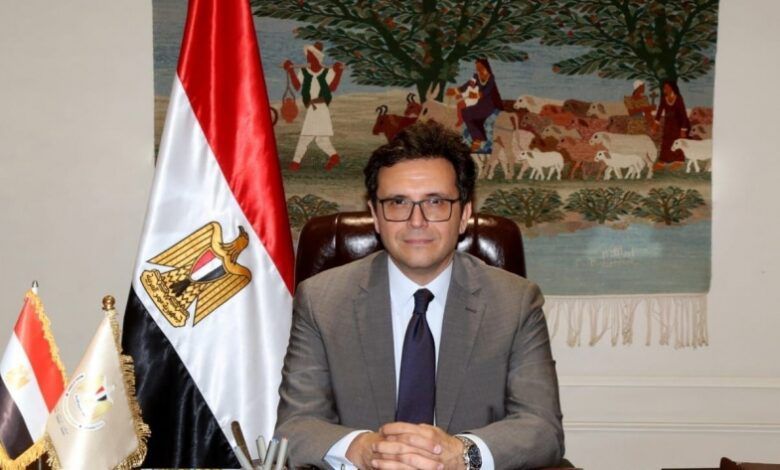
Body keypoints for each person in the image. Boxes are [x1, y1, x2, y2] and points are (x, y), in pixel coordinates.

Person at [275, 121, 564, 469]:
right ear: (375, 216)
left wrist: (460, 454)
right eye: (398, 202)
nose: (416, 221)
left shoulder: (515, 302)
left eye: (435, 202)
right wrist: (363, 449)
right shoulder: (321, 301)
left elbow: (542, 428)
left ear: (464, 215)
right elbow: (295, 428)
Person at [283, 42, 345, 171]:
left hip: (320, 107)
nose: (308, 58)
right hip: (312, 107)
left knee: (305, 137)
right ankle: (334, 157)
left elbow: (332, 88)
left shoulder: (328, 72)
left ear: (317, 57)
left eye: (310, 56)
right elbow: (297, 86)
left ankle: (296, 162)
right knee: (321, 139)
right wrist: (291, 71)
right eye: (308, 56)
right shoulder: (304, 72)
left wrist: (338, 73)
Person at [447, 58, 503, 153]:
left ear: (486, 67)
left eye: (481, 68)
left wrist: (477, 95)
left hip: (490, 105)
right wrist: (455, 91)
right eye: (477, 68)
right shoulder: (476, 77)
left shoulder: (491, 78)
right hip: (480, 104)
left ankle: (478, 140)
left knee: (472, 114)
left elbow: (487, 91)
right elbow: (467, 86)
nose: (479, 70)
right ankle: (478, 138)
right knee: (465, 112)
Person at [654, 79, 691, 171]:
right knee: (666, 141)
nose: (664, 89)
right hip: (668, 125)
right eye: (664, 88)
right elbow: (659, 112)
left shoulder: (678, 99)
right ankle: (663, 160)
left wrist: (683, 129)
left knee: (677, 142)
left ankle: (679, 160)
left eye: (666, 87)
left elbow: (683, 115)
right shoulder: (664, 99)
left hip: (678, 125)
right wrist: (655, 124)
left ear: (672, 88)